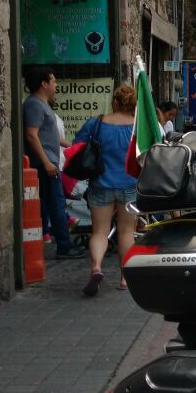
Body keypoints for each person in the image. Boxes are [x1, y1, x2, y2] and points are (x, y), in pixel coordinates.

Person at [74, 84, 139, 296]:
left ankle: (96, 267)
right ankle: (125, 279)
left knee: (100, 231)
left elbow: (78, 145)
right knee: (126, 232)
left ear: (115, 102)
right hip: (130, 185)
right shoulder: (138, 127)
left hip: (100, 184)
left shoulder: (97, 123)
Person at [23, 67, 84, 259]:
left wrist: (74, 146)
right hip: (45, 165)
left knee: (54, 204)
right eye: (54, 81)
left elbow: (51, 137)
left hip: (49, 162)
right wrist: (47, 162)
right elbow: (32, 135)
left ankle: (61, 243)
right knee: (56, 204)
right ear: (44, 84)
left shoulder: (43, 104)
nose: (56, 84)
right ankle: (64, 246)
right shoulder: (34, 104)